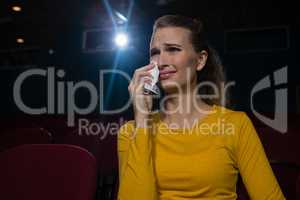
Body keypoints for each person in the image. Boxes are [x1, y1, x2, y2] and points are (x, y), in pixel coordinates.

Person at [117, 15, 285, 199]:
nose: (161, 61)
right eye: (155, 52)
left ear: (200, 60)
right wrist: (142, 119)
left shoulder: (235, 125)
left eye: (173, 49)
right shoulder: (130, 132)